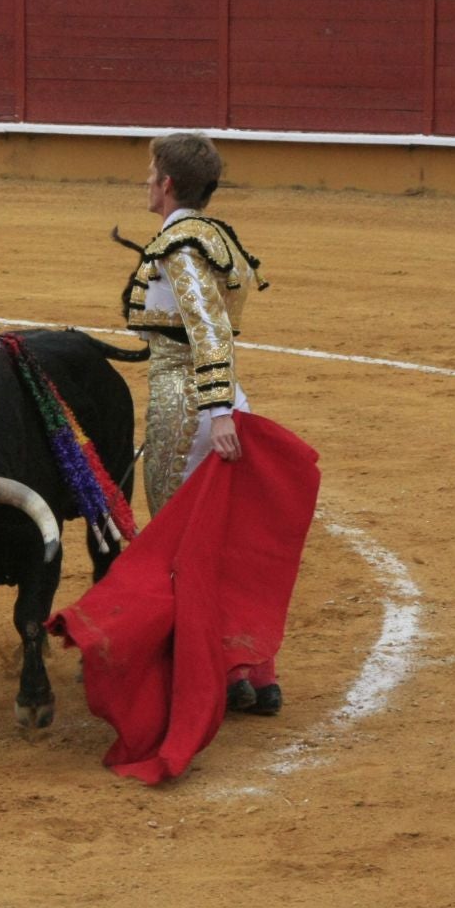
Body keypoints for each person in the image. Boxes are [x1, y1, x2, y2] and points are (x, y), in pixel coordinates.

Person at [118, 133, 281, 715]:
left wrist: (215, 413)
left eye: (150, 174)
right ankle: (252, 672)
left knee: (179, 543)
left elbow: (208, 330)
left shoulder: (179, 245)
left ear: (167, 184)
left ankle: (210, 674)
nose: (146, 183)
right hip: (226, 398)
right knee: (226, 540)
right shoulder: (216, 237)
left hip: (188, 406)